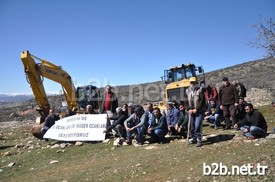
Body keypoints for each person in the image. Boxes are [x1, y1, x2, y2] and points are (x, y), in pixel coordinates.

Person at [186, 77, 206, 147]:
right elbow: (186, 101)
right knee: (192, 126)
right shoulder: (187, 90)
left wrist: (196, 109)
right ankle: (193, 138)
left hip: (199, 111)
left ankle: (199, 140)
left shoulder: (200, 90)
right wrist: (188, 109)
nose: (192, 84)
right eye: (191, 82)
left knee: (197, 125)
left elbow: (202, 101)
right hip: (191, 111)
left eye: (194, 82)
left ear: (196, 83)